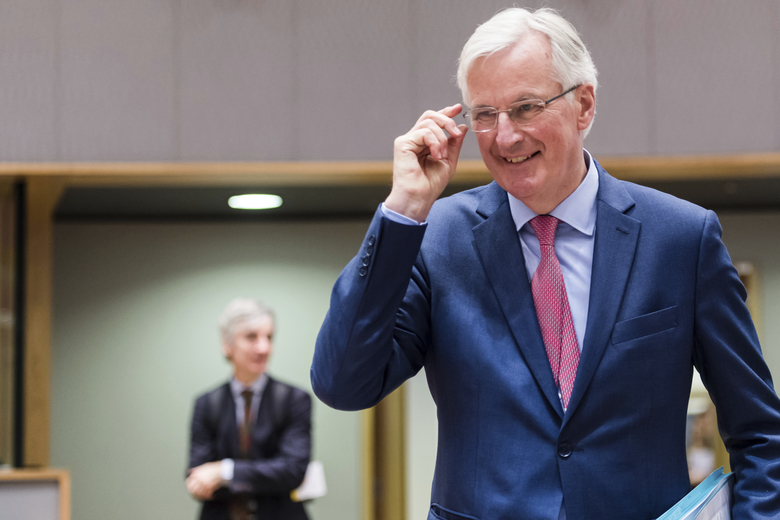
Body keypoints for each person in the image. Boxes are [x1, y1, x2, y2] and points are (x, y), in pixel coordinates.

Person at [311, 7, 780, 520]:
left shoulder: (681, 238)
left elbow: (760, 435)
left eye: (526, 107)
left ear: (584, 105)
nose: (504, 136)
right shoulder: (435, 239)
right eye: (484, 114)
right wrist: (402, 213)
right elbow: (343, 383)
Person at [188, 299, 311, 520]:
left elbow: (292, 471)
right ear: (227, 345)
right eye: (251, 337)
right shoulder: (207, 403)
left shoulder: (294, 399)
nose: (264, 348)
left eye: (269, 337)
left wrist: (224, 472)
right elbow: (198, 475)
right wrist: (266, 476)